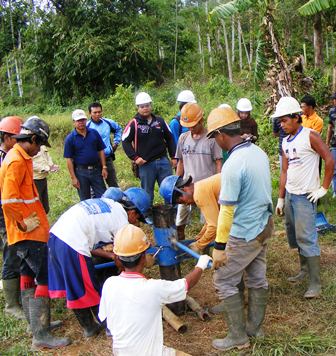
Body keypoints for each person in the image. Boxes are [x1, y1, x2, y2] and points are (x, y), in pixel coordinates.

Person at [0, 116, 70, 350]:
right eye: (39, 144)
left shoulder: (20, 157)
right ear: (31, 138)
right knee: (44, 277)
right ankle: (41, 336)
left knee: (27, 276)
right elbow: (9, 201)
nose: (40, 149)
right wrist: (25, 225)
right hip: (28, 234)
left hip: (27, 233)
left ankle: (37, 325)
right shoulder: (16, 161)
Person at [207, 107, 273, 352]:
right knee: (257, 278)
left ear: (222, 134)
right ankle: (255, 329)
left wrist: (219, 247)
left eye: (214, 136)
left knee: (223, 279)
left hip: (244, 233)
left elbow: (226, 210)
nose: (216, 141)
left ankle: (238, 337)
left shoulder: (233, 165)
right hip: (264, 226)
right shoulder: (258, 152)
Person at [48, 187, 150, 339]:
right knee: (90, 288)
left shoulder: (108, 205)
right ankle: (109, 326)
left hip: (56, 237)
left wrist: (109, 256)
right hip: (72, 244)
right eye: (137, 219)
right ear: (133, 212)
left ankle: (90, 326)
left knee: (74, 286)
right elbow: (121, 256)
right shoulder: (122, 221)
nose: (136, 223)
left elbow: (92, 246)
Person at [98, 224, 212, 356]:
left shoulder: (109, 284)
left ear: (117, 258)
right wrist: (201, 265)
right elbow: (185, 285)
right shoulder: (153, 288)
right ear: (143, 257)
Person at [273, 97, 334, 299]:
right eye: (280, 121)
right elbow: (284, 171)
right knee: (295, 235)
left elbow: (329, 159)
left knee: (307, 237)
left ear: (296, 117)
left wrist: (323, 188)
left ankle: (315, 284)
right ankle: (304, 269)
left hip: (305, 195)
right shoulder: (285, 141)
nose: (282, 124)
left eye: (284, 120)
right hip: (291, 194)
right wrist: (281, 198)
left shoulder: (310, 136)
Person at [174, 102, 222, 240]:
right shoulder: (183, 138)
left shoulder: (211, 139)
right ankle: (181, 247)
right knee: (180, 221)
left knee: (208, 223)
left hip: (207, 189)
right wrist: (176, 183)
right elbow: (180, 162)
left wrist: (219, 188)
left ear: (201, 120)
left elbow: (219, 162)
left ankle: (204, 250)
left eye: (194, 126)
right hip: (187, 188)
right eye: (188, 127)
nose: (191, 129)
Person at [122, 92, 176, 204]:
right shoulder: (134, 123)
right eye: (142, 106)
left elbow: (170, 138)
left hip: (163, 161)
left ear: (151, 105)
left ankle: (171, 212)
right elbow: (125, 141)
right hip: (146, 165)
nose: (145, 108)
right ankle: (147, 215)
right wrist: (135, 158)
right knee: (147, 193)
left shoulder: (160, 121)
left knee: (169, 190)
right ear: (138, 108)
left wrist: (173, 156)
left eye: (147, 105)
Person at [0, 116, 25, 320]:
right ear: (7, 138)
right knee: (10, 252)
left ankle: (18, 295)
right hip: (4, 214)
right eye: (17, 138)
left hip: (11, 211)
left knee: (14, 252)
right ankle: (11, 304)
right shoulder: (4, 158)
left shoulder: (12, 156)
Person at [160, 174, 221, 253]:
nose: (186, 204)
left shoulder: (199, 194)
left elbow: (214, 226)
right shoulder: (201, 187)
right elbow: (212, 220)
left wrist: (198, 245)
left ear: (183, 190)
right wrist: (199, 237)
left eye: (182, 201)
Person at [64, 109, 107, 201]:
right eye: (78, 120)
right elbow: (69, 159)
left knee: (103, 197)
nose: (81, 122)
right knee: (85, 200)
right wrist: (73, 178)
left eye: (83, 120)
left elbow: (101, 150)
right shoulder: (70, 138)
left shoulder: (94, 133)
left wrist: (104, 167)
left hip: (96, 170)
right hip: (81, 172)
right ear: (74, 122)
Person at [87, 102, 122, 187]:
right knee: (96, 186)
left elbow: (118, 129)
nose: (98, 114)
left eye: (99, 112)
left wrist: (116, 143)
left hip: (107, 158)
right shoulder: (87, 126)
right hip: (93, 160)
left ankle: (117, 199)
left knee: (113, 184)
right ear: (90, 113)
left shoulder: (108, 123)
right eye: (95, 112)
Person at [33, 145, 59, 214]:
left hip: (43, 178)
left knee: (45, 208)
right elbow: (31, 164)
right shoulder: (30, 147)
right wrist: (47, 168)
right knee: (38, 207)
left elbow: (47, 156)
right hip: (35, 180)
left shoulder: (42, 146)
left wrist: (51, 166)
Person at [325, 92, 336, 197]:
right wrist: (327, 143)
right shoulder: (332, 111)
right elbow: (329, 127)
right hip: (334, 144)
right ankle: (335, 191)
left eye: (334, 99)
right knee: (333, 168)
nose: (334, 101)